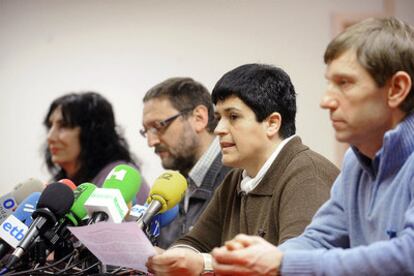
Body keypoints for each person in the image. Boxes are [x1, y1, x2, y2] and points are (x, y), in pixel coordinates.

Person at [212, 17, 414, 276]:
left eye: (345, 83)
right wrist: (265, 255)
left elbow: (408, 255)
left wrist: (281, 263)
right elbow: (320, 239)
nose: (326, 101)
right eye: (329, 83)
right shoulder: (356, 161)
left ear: (396, 89)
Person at [146, 64, 339, 275]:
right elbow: (194, 242)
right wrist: (173, 259)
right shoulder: (237, 178)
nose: (219, 129)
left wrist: (203, 263)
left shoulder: (307, 175)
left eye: (233, 117)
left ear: (272, 124)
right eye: (219, 118)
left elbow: (294, 266)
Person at [141, 77, 232, 248]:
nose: (151, 141)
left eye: (158, 125)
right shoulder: (171, 187)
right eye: (145, 131)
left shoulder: (238, 178)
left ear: (199, 118)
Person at [44, 91, 149, 204]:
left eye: (64, 126)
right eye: (50, 126)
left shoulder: (119, 179)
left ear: (91, 133)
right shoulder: (65, 182)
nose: (50, 137)